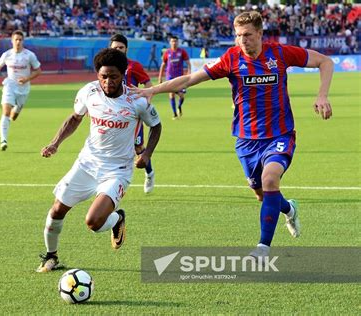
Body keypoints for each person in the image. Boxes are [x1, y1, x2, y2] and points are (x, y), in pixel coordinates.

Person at [130, 11, 333, 258]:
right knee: (262, 194)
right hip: (246, 140)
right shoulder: (231, 58)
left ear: (260, 33)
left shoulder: (280, 53)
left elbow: (325, 61)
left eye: (247, 35)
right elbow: (192, 78)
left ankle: (262, 249)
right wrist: (155, 89)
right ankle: (289, 209)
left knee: (270, 180)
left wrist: (322, 95)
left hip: (280, 134)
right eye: (238, 35)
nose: (242, 40)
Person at [36, 48, 162, 272]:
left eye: (113, 76)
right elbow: (75, 119)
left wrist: (147, 154)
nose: (107, 81)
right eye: (103, 76)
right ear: (97, 75)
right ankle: (50, 257)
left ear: (123, 74)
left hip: (117, 170)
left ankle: (116, 219)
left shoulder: (137, 100)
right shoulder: (89, 92)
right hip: (87, 163)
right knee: (56, 210)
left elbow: (156, 126)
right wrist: (55, 143)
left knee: (93, 222)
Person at [110, 34, 156, 194]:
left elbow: (149, 85)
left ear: (126, 49)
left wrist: (146, 99)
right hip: (110, 115)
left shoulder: (134, 66)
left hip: (132, 116)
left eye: (121, 47)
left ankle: (149, 174)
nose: (118, 50)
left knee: (138, 148)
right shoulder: (106, 66)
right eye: (115, 47)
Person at [0, 30, 41, 151]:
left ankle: (17, 108)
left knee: (14, 115)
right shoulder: (7, 54)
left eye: (20, 39)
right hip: (10, 86)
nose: (18, 42)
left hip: (24, 88)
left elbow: (38, 71)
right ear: (12, 41)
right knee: (6, 112)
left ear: (23, 41)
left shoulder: (29, 55)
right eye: (16, 39)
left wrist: (27, 79)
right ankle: (3, 140)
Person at [159, 35, 191, 119]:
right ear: (170, 42)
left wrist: (189, 72)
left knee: (181, 96)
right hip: (170, 76)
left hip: (180, 77)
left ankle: (179, 107)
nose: (174, 43)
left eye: (175, 41)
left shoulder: (182, 52)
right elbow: (163, 65)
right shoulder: (167, 52)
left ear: (178, 42)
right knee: (171, 94)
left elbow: (188, 63)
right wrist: (160, 77)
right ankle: (174, 114)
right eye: (172, 41)